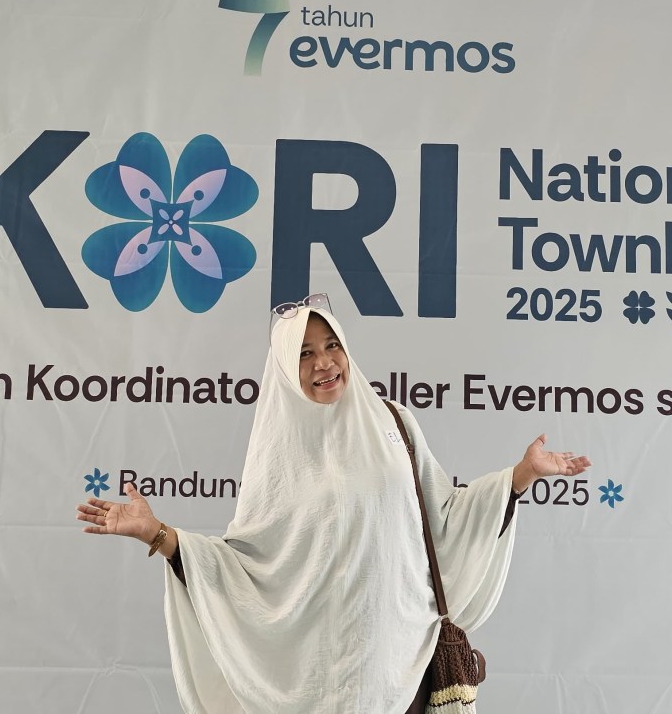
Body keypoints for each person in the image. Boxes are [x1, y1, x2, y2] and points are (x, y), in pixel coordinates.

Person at [76, 297, 590, 713]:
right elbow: (244, 568)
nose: (324, 363)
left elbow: (445, 518)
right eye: (304, 353)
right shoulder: (277, 453)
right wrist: (157, 533)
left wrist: (523, 473)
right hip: (316, 679)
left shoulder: (393, 423)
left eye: (332, 346)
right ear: (285, 367)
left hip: (400, 665)